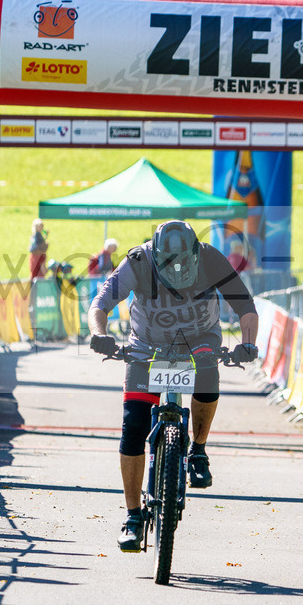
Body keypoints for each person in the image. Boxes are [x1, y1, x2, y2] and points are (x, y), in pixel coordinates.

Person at [87, 220, 259, 552]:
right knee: (134, 427)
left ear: (196, 254)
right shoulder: (138, 260)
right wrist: (100, 335)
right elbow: (101, 304)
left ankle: (198, 449)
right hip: (147, 344)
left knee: (209, 370)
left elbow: (245, 307)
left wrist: (247, 343)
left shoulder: (211, 258)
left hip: (200, 339)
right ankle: (133, 516)